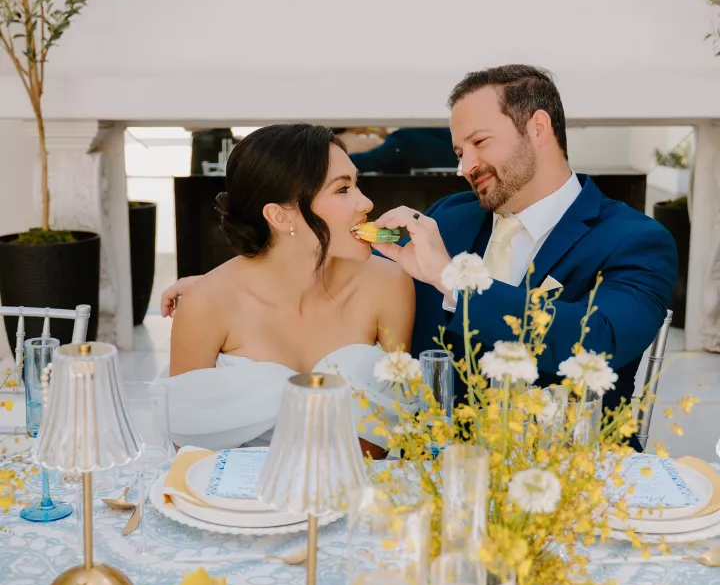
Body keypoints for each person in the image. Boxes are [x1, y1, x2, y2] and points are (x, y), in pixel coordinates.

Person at [369, 65, 678, 413]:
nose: (465, 167)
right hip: (441, 459)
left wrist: (451, 279)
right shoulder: (447, 217)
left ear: (538, 127)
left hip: (575, 458)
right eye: (459, 152)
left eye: (479, 142)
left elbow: (600, 342)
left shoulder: (636, 239)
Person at [158, 124, 414, 452]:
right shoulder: (205, 304)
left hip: (359, 494)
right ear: (280, 216)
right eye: (342, 189)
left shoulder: (390, 284)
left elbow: (398, 417)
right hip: (233, 501)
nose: (365, 203)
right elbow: (188, 446)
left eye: (356, 184)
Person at [339, 127, 458, 174]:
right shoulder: (445, 132)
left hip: (416, 195)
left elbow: (371, 161)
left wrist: (336, 156)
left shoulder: (405, 138)